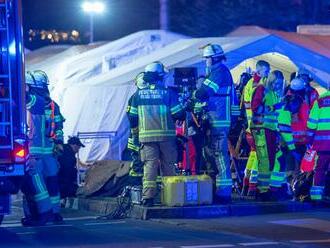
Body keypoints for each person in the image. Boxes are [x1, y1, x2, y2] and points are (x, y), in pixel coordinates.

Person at [128, 62, 186, 207]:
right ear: (160, 77)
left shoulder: (137, 95)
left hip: (146, 137)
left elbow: (132, 118)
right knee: (168, 166)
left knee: (149, 167)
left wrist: (136, 135)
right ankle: (170, 196)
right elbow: (178, 113)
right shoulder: (168, 93)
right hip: (167, 137)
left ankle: (148, 198)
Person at [193, 44, 239, 203]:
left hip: (219, 120)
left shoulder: (219, 72)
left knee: (219, 155)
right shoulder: (215, 72)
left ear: (214, 58)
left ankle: (224, 192)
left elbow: (203, 93)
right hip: (214, 120)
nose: (206, 61)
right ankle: (215, 189)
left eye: (207, 58)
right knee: (211, 155)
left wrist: (194, 91)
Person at [22, 70, 64, 226]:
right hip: (50, 153)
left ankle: (44, 215)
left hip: (34, 153)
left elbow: (21, 98)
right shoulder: (53, 105)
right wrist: (59, 142)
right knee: (52, 185)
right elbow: (58, 127)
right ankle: (55, 213)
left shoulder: (34, 101)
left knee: (37, 188)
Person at [250, 70, 283, 201]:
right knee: (264, 160)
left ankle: (264, 189)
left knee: (270, 159)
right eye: (276, 83)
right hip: (261, 128)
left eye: (279, 84)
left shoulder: (272, 92)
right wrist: (274, 108)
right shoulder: (261, 90)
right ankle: (262, 191)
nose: (277, 86)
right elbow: (256, 108)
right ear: (271, 80)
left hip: (270, 129)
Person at [241, 60, 270, 196]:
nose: (268, 74)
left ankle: (246, 185)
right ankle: (253, 187)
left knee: (253, 156)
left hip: (250, 127)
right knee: (260, 158)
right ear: (259, 71)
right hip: (258, 127)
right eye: (266, 71)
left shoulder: (249, 83)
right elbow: (258, 106)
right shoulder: (259, 86)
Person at [307, 88, 330, 201]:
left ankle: (316, 197)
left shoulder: (320, 100)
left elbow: (312, 122)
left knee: (320, 168)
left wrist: (310, 138)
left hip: (323, 143)